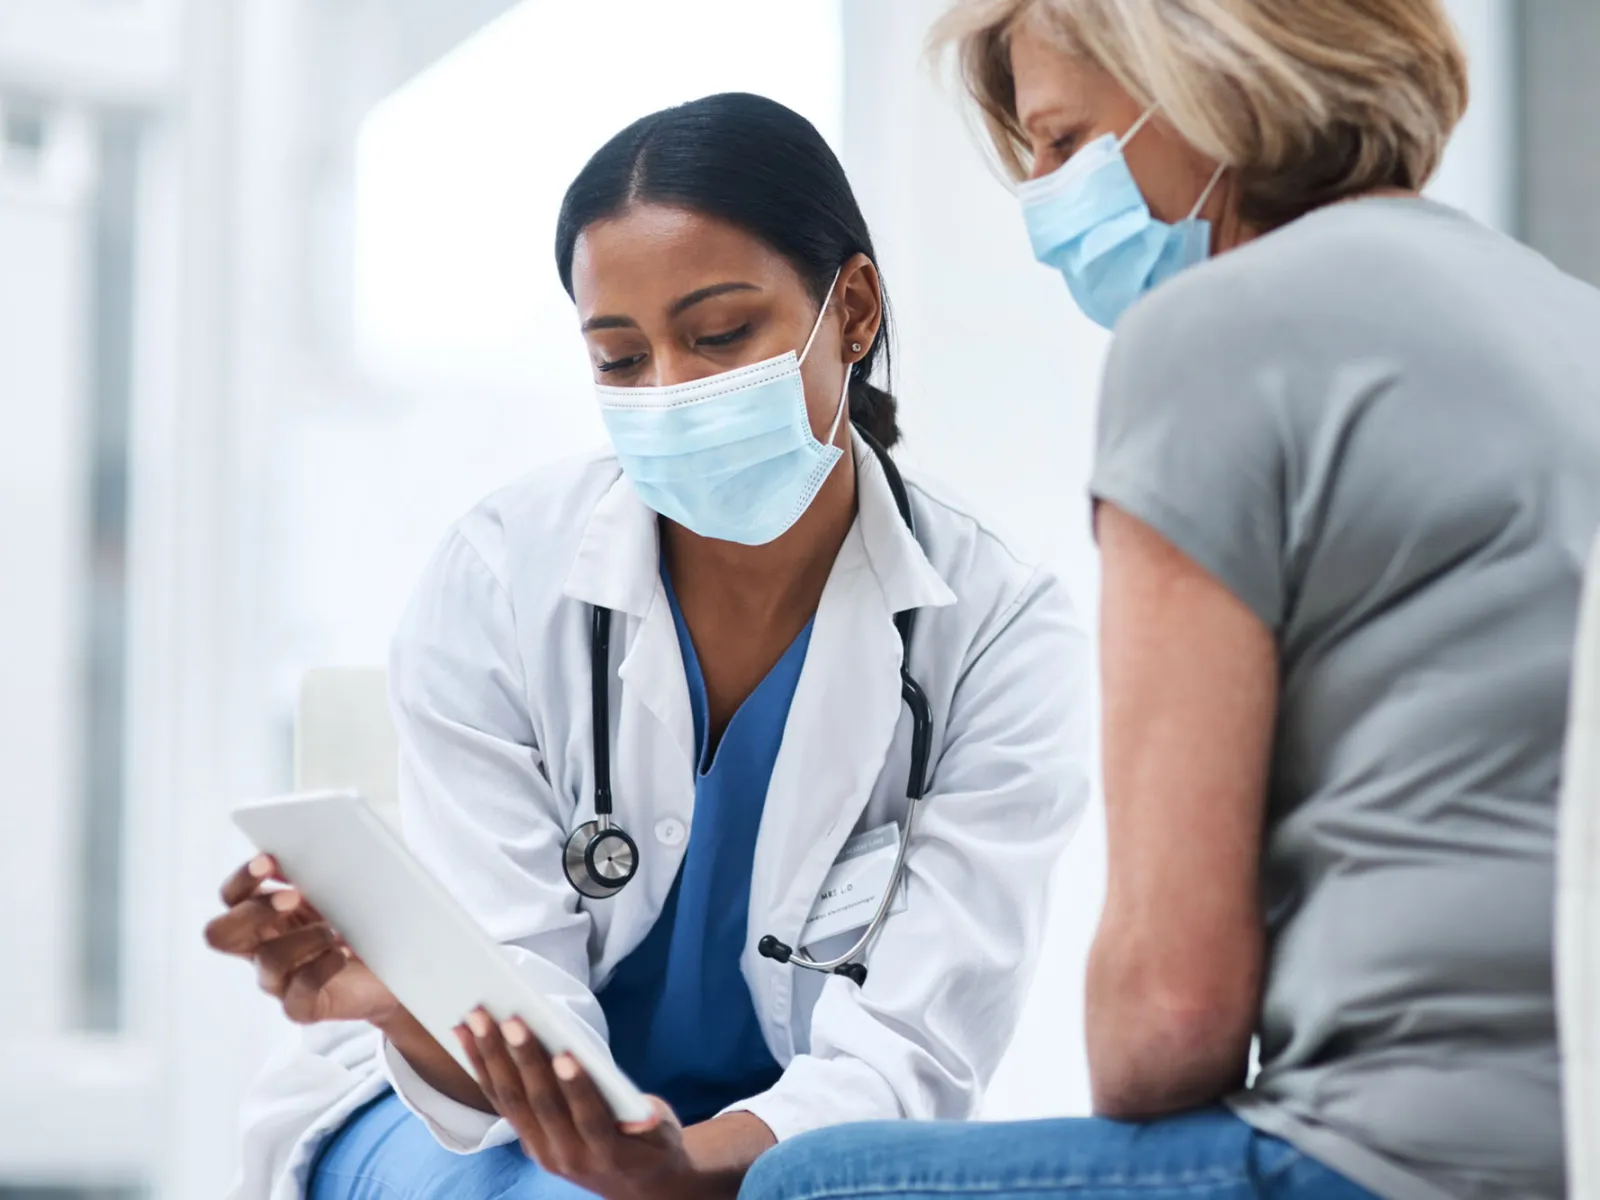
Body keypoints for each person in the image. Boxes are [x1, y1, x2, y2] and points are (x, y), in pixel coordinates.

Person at [737, 2, 1600, 1199]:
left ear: (1208, 82)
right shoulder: (1566, 314)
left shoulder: (1209, 334)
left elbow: (1167, 1015)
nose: (1043, 202)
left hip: (1399, 1156)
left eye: (1060, 141)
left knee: (804, 1185)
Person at [206, 92, 1092, 1200]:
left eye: (719, 336)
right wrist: (410, 1007)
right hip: (464, 1121)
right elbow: (507, 1003)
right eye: (621, 360)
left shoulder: (997, 631)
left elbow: (911, 1051)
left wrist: (684, 1167)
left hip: (778, 1147)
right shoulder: (501, 578)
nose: (671, 392)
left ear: (855, 310)